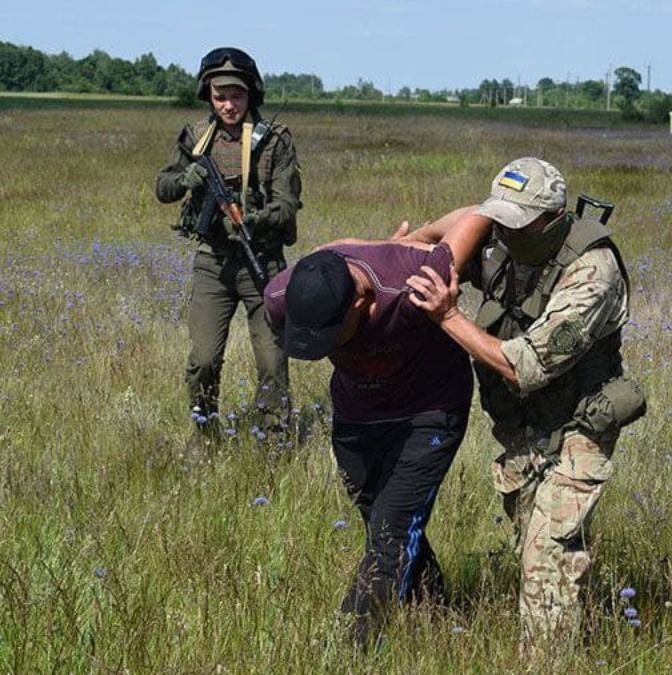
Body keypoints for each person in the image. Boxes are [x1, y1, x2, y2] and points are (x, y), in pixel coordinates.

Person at [406, 157, 644, 654]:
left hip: (578, 423)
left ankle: (545, 662)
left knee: (548, 559)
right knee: (534, 546)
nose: (502, 231)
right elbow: (466, 220)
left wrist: (448, 316)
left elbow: (526, 365)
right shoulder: (503, 236)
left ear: (552, 219)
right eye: (500, 218)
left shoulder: (592, 272)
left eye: (516, 221)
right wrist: (421, 238)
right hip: (522, 426)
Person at [262, 213, 490, 647]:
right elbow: (327, 255)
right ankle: (436, 613)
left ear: (360, 303)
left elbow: (478, 215)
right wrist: (369, 244)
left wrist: (419, 240)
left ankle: (353, 645)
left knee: (390, 529)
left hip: (430, 409)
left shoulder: (409, 283)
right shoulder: (281, 296)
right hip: (357, 412)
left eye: (331, 335)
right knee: (380, 520)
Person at [155, 47, 302, 440]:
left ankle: (273, 442)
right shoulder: (195, 139)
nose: (229, 104)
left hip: (263, 262)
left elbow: (287, 205)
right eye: (220, 96)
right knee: (203, 360)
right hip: (212, 264)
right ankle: (205, 435)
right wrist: (187, 179)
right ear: (208, 95)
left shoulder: (274, 142)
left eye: (236, 95)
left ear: (250, 94)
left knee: (272, 363)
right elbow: (163, 188)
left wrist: (254, 220)